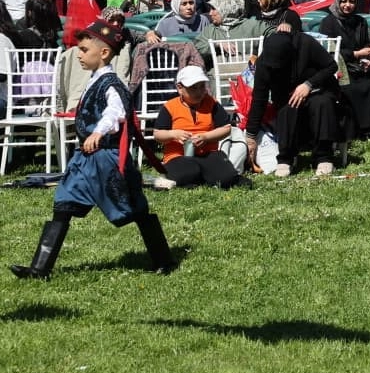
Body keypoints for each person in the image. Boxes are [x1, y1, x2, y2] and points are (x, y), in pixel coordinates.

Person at [11, 19, 175, 280]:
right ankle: (40, 269)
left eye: (84, 49)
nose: (79, 54)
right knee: (63, 204)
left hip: (107, 160)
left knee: (133, 208)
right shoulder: (94, 80)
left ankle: (163, 259)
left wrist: (99, 132)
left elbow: (115, 113)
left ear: (104, 52)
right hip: (84, 159)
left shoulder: (112, 85)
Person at [245, 28, 342, 177]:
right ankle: (286, 158)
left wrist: (309, 84)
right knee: (286, 109)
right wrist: (251, 135)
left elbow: (331, 66)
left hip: (318, 89)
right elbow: (259, 99)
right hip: (287, 95)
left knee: (321, 104)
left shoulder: (306, 43)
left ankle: (323, 157)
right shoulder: (264, 63)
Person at [152, 65, 241, 190]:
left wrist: (206, 137)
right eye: (193, 88)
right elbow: (158, 134)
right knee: (186, 172)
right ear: (180, 88)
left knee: (227, 177)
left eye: (202, 87)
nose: (199, 92)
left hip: (208, 154)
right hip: (178, 155)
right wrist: (174, 134)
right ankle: (201, 177)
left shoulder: (212, 103)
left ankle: (203, 177)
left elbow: (226, 128)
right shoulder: (170, 107)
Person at [319, 0, 370, 136]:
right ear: (337, 1)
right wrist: (356, 54)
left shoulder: (360, 21)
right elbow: (329, 51)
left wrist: (365, 59)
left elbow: (365, 45)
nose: (348, 5)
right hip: (338, 67)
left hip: (358, 66)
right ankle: (357, 127)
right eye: (344, 1)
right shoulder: (328, 22)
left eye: (351, 1)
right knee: (351, 88)